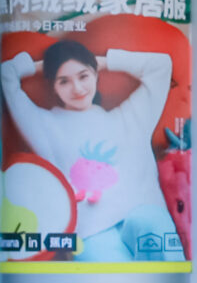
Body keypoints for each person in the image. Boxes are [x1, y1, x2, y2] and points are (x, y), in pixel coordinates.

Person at [2, 37, 183, 263]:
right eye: (63, 81)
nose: (77, 88)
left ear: (96, 74)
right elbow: (6, 75)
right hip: (92, 233)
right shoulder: (44, 126)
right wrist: (46, 66)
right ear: (53, 86)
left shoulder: (129, 118)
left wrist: (103, 62)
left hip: (143, 214)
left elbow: (161, 66)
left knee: (159, 242)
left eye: (83, 76)